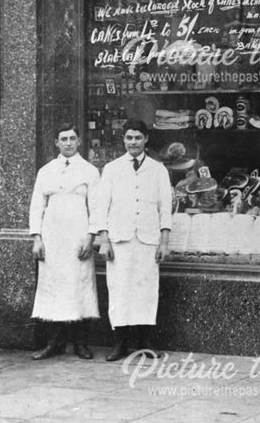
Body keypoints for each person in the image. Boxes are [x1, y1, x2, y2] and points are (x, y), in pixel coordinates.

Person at [95, 119, 172, 362]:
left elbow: (165, 208)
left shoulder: (159, 170)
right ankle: (120, 342)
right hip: (120, 240)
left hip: (148, 240)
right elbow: (101, 207)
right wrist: (104, 240)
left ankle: (145, 342)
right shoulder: (112, 169)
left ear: (146, 139)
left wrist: (164, 242)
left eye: (138, 138)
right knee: (119, 290)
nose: (133, 143)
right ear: (123, 140)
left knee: (146, 290)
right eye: (129, 138)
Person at [28, 124, 101, 360]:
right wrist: (37, 238)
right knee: (55, 287)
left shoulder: (90, 171)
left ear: (79, 141)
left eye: (72, 138)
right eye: (63, 139)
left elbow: (96, 208)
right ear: (56, 143)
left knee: (79, 287)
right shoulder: (46, 171)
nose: (68, 143)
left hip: (78, 237)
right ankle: (55, 342)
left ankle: (81, 343)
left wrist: (91, 237)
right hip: (53, 239)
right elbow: (37, 206)